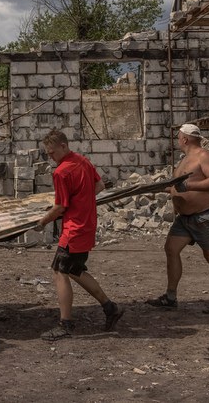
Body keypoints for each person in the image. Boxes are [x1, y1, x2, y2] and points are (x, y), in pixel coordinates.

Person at [34, 130, 124, 340]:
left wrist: (41, 222)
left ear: (63, 146)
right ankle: (111, 309)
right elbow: (99, 185)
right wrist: (82, 201)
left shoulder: (61, 172)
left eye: (52, 153)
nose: (51, 157)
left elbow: (60, 207)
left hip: (73, 229)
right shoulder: (83, 161)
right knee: (75, 270)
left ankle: (66, 324)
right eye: (48, 153)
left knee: (60, 271)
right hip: (87, 225)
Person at [147, 123, 209, 314]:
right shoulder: (185, 160)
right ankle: (170, 297)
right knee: (171, 249)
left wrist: (189, 187)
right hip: (185, 219)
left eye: (178, 137)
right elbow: (177, 186)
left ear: (184, 139)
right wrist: (159, 188)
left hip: (204, 216)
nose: (178, 140)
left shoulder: (205, 156)